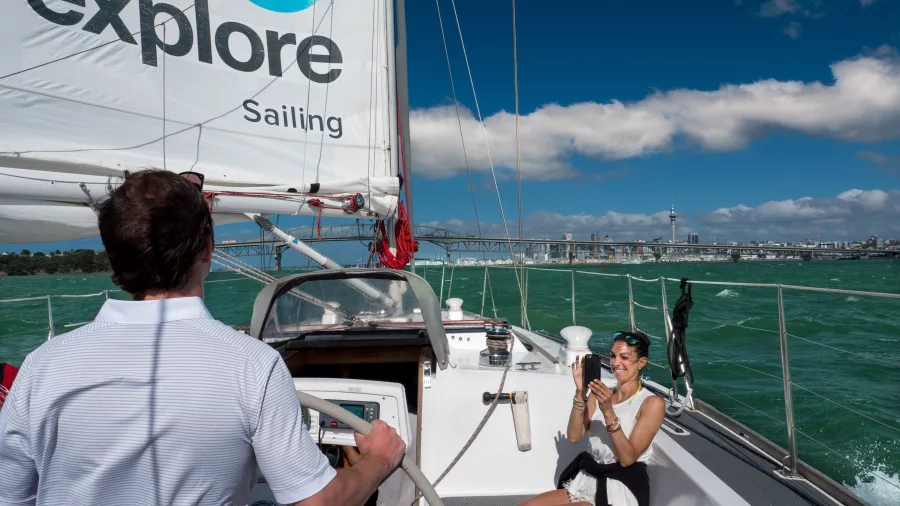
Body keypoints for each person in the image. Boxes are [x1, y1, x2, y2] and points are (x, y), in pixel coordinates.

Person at [0, 169, 406, 506]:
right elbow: (317, 502)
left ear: (113, 254)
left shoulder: (43, 364)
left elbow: (12, 496)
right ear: (208, 249)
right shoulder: (253, 365)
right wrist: (378, 461)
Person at [519, 330, 664, 506]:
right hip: (588, 481)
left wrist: (608, 412)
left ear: (641, 362)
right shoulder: (600, 394)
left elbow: (627, 459)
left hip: (620, 489)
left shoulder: (651, 403)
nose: (615, 362)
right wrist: (581, 393)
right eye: (612, 356)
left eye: (624, 357)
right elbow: (574, 436)